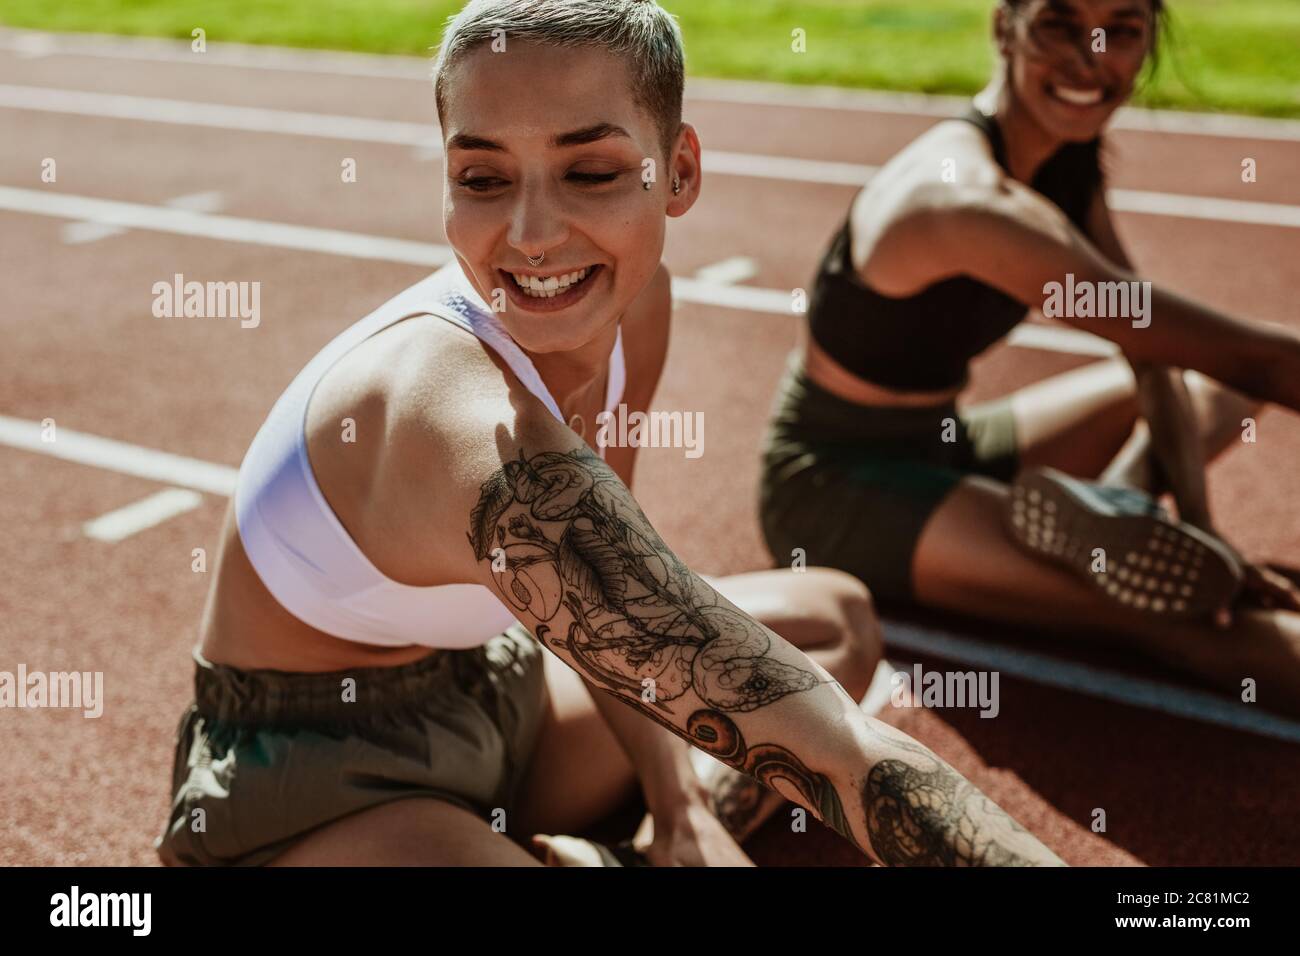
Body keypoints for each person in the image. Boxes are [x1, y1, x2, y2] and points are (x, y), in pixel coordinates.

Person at [154, 0, 1062, 867]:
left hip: (496, 678)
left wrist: (680, 809)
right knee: (804, 727)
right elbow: (837, 751)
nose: (533, 234)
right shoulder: (454, 424)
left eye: (589, 172)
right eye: (481, 178)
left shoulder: (637, 305)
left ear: (681, 171)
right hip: (324, 767)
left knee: (836, 622)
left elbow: (617, 598)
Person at [760, 0, 1300, 714]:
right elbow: (1251, 357)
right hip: (836, 485)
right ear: (1003, 28)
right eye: (1059, 24)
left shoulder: (1064, 157)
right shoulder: (967, 200)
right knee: (1183, 617)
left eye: (1123, 30)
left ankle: (1121, 502)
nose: (1091, 55)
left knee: (1213, 389)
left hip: (945, 441)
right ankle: (1118, 543)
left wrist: (1197, 526)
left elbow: (1151, 354)